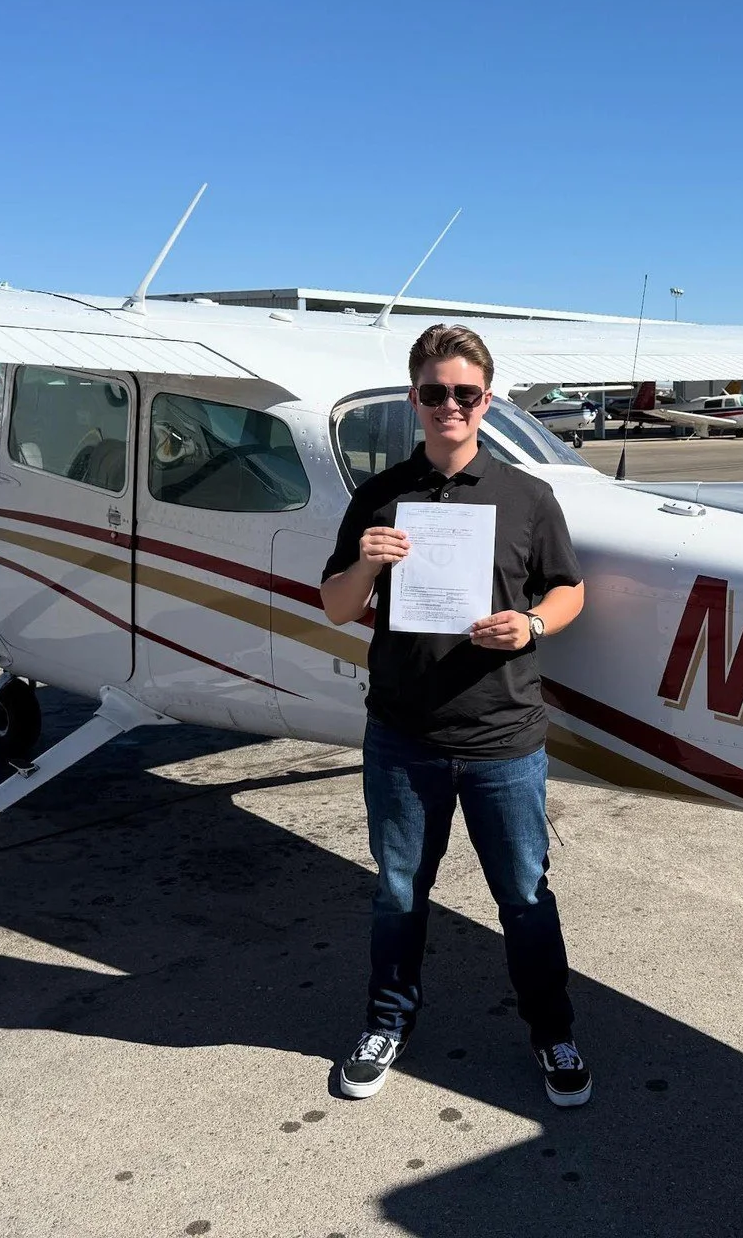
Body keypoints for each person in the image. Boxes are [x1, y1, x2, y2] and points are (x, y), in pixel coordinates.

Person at [320, 323, 590, 1107]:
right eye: (435, 392)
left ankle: (553, 1032)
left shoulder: (529, 496)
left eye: (465, 393)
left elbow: (568, 588)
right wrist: (367, 560)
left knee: (525, 896)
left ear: (486, 400)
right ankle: (387, 1024)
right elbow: (336, 605)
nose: (450, 406)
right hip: (403, 737)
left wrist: (530, 625)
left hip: (505, 737)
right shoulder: (379, 496)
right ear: (415, 399)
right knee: (399, 893)